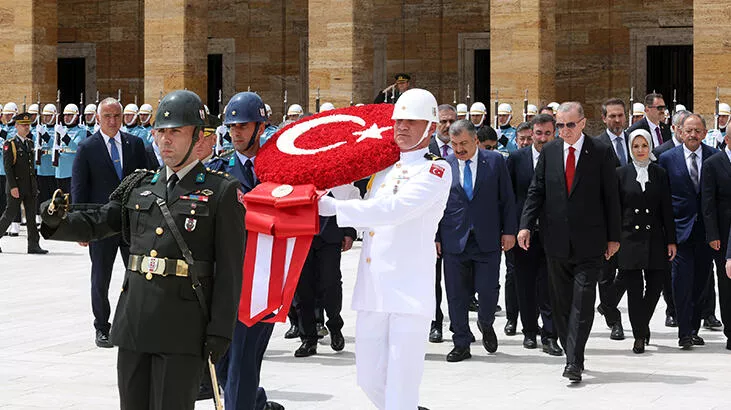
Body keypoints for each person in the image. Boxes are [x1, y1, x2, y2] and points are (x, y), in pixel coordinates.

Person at [39, 90, 243, 409]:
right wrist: (56, 221)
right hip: (134, 324)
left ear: (199, 138)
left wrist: (220, 332)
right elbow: (101, 220)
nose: (165, 140)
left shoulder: (220, 192)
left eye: (175, 131)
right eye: (161, 132)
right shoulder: (140, 185)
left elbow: (230, 272)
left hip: (183, 328)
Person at [318, 88, 451, 410]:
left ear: (431, 127)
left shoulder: (436, 170)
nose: (401, 127)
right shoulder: (384, 168)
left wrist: (332, 208)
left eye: (411, 121)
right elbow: (364, 205)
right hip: (374, 291)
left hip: (407, 292)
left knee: (401, 388)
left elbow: (394, 210)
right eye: (398, 121)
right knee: (368, 378)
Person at [518, 102, 621, 383]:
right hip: (556, 241)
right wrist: (525, 225)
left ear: (583, 123)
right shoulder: (550, 151)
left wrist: (614, 237)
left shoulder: (600, 152)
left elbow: (612, 197)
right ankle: (571, 351)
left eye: (570, 125)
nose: (564, 131)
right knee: (562, 303)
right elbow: (536, 190)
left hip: (591, 242)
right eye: (560, 126)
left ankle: (574, 360)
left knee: (583, 301)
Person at [206, 92, 283, 410]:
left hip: (265, 279)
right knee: (225, 363)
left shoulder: (280, 170)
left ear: (260, 127)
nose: (236, 132)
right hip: (227, 279)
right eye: (232, 126)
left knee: (241, 360)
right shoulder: (217, 170)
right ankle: (258, 403)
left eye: (243, 125)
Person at [437, 119, 517, 362]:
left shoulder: (494, 161)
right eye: (454, 144)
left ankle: (485, 322)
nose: (459, 149)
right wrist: (436, 237)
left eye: (464, 143)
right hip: (454, 239)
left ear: (476, 141)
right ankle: (461, 342)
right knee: (456, 294)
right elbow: (435, 206)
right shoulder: (443, 166)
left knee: (488, 290)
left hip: (487, 237)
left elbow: (507, 198)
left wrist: (509, 231)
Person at [71, 97, 147, 348]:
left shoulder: (135, 144)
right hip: (101, 225)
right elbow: (79, 189)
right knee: (100, 277)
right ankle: (102, 326)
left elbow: (148, 182)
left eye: (117, 116)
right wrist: (80, 226)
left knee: (136, 276)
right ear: (98, 118)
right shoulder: (87, 147)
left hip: (131, 224)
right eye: (108, 116)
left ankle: (132, 323)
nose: (113, 121)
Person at [657, 113, 719, 349]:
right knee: (681, 282)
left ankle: (693, 328)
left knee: (701, 282)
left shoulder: (714, 157)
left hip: (706, 232)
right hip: (678, 232)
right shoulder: (666, 159)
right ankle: (684, 332)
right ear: (680, 132)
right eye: (688, 130)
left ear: (704, 133)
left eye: (697, 131)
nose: (693, 135)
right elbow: (662, 199)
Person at [615, 129, 677, 354]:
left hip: (655, 239)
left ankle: (641, 325)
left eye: (644, 146)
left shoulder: (659, 173)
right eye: (636, 146)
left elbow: (667, 209)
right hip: (629, 240)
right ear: (630, 148)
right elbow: (616, 210)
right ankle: (639, 336)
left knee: (654, 286)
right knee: (633, 290)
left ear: (650, 146)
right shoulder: (620, 174)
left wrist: (671, 239)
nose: (640, 150)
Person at [506, 114, 562, 356]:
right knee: (525, 284)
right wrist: (510, 230)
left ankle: (550, 335)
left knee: (550, 286)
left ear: (554, 133)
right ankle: (529, 331)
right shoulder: (517, 159)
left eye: (547, 134)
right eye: (538, 134)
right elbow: (508, 198)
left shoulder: (561, 157)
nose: (542, 138)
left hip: (552, 233)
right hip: (523, 234)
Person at [593, 98, 630, 340]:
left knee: (630, 270)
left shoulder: (636, 141)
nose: (617, 120)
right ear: (604, 118)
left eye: (620, 115)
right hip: (606, 220)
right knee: (606, 273)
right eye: (612, 116)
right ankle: (614, 320)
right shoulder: (596, 145)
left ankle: (607, 304)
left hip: (632, 218)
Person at [427, 104, 457, 343]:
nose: (448, 126)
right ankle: (434, 323)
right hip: (431, 228)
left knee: (458, 280)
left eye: (452, 121)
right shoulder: (425, 150)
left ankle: (460, 326)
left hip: (457, 226)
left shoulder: (463, 147)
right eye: (444, 121)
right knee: (432, 280)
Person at [0, 112, 48, 254]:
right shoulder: (11, 144)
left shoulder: (30, 143)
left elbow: (30, 168)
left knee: (31, 217)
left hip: (29, 187)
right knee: (9, 215)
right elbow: (8, 167)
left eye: (28, 125)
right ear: (16, 126)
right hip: (16, 187)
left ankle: (33, 245)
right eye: (23, 125)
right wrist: (13, 187)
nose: (27, 127)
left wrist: (34, 186)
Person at [701, 128, 731, 350]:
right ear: (727, 139)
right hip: (723, 232)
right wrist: (712, 234)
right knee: (727, 280)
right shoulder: (713, 163)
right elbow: (708, 202)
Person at [57, 104, 87, 194]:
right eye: (65, 115)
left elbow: (75, 147)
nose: (66, 117)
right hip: (59, 170)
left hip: (71, 170)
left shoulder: (81, 131)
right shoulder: (61, 129)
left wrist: (63, 134)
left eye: (69, 115)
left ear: (76, 117)